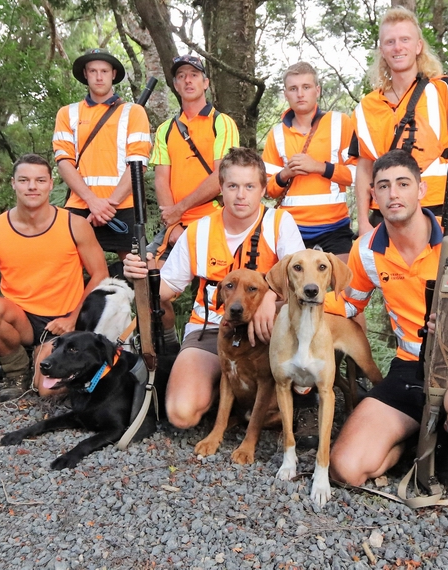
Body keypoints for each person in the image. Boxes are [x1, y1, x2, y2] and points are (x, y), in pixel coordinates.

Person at [328, 151, 448, 486]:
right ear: (373, 194)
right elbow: (346, 305)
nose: (393, 194)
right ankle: (410, 439)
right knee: (346, 469)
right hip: (411, 368)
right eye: (384, 186)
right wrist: (289, 298)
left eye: (403, 184)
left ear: (421, 189)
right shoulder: (366, 249)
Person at [123, 148, 304, 429]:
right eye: (232, 186)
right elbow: (165, 291)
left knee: (297, 322)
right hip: (211, 328)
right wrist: (141, 275)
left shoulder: (280, 223)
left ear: (263, 189)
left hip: (264, 331)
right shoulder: (199, 230)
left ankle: (294, 393)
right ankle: (224, 392)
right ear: (221, 189)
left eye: (249, 186)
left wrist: (269, 297)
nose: (241, 195)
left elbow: (303, 284)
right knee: (181, 414)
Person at [0, 154, 109, 401]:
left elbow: (100, 275)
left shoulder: (74, 225)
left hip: (61, 322)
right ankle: (17, 371)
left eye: (40, 180)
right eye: (24, 180)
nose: (32, 186)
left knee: (46, 391)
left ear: (51, 184)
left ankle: (61, 365)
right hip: (21, 320)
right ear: (13, 183)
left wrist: (73, 319)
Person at [351, 6, 448, 237]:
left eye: (405, 39)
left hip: (438, 209)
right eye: (390, 42)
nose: (398, 47)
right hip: (386, 212)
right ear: (382, 50)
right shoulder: (366, 107)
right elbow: (364, 167)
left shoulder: (446, 90)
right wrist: (363, 222)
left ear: (418, 46)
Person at [149, 53, 241, 347]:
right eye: (181, 76)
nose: (187, 80)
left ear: (206, 82)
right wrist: (172, 220)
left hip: (214, 221)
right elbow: (161, 178)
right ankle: (166, 343)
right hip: (175, 224)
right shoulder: (166, 129)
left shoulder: (221, 123)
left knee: (225, 289)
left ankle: (229, 346)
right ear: (175, 85)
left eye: (193, 75)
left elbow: (221, 176)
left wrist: (179, 210)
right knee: (149, 281)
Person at [52, 49, 152, 258]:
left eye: (104, 71)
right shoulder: (67, 113)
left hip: (123, 205)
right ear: (85, 74)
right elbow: (63, 162)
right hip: (80, 205)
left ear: (113, 74)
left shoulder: (133, 111)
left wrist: (109, 205)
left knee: (134, 271)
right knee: (70, 270)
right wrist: (93, 202)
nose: (99, 76)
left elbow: (138, 163)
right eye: (93, 71)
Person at [262, 62, 357, 259]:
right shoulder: (276, 134)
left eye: (306, 87)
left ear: (317, 90)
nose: (300, 94)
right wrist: (286, 173)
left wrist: (320, 167)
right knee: (293, 289)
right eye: (293, 89)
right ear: (286, 94)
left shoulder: (340, 122)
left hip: (335, 227)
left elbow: (358, 175)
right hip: (291, 228)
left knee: (343, 288)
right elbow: (268, 190)